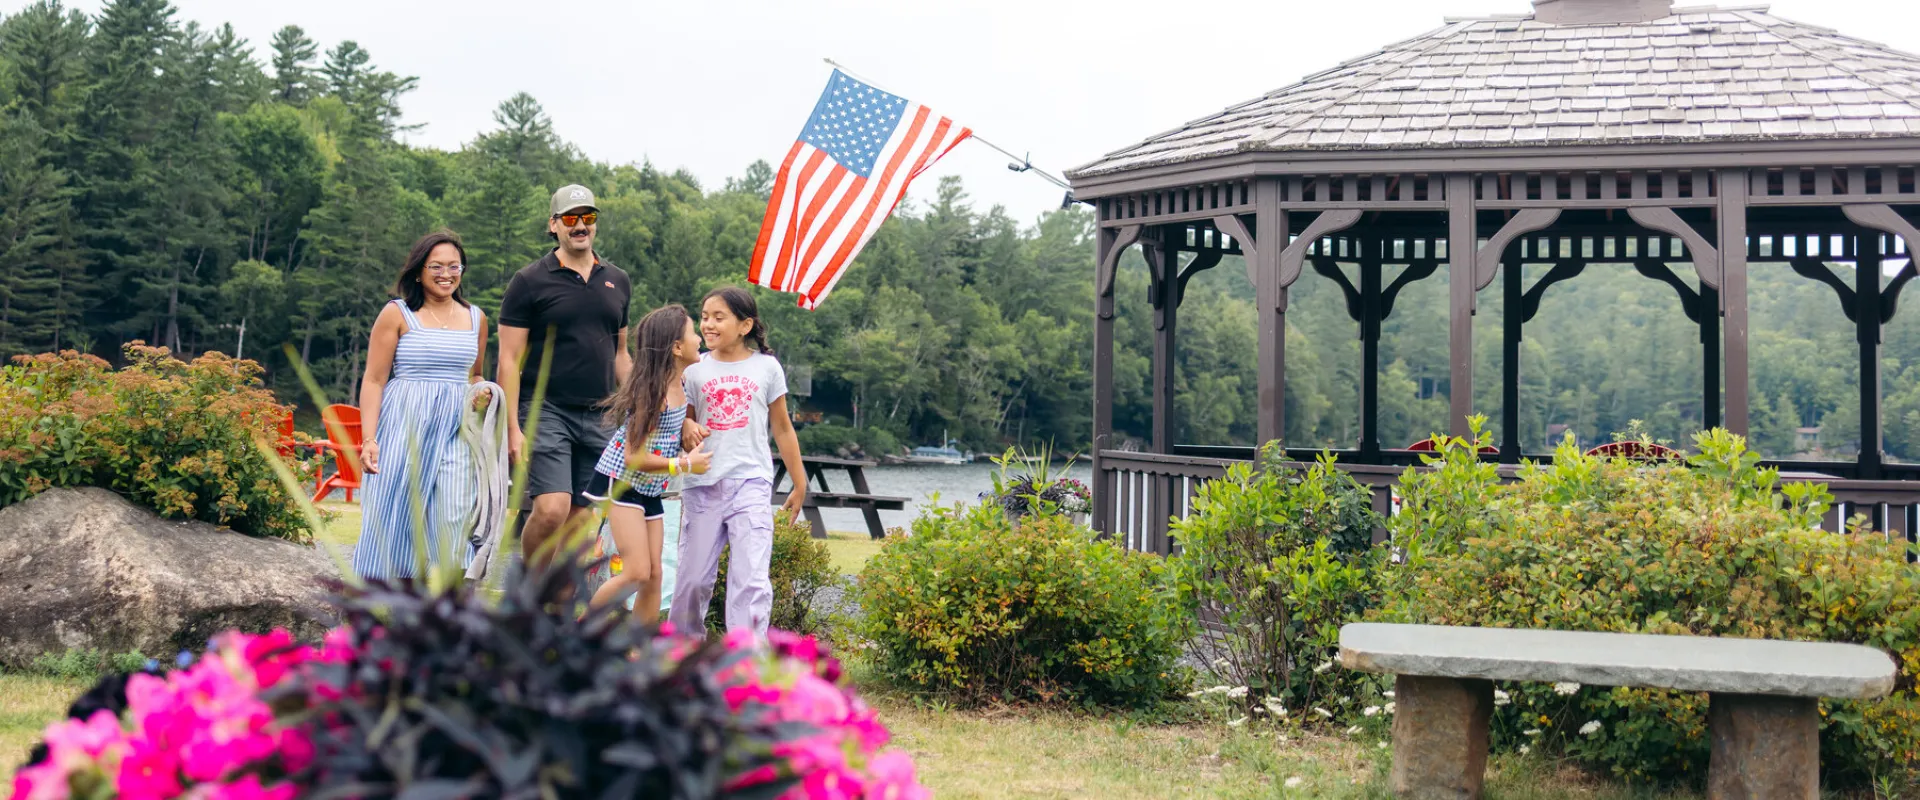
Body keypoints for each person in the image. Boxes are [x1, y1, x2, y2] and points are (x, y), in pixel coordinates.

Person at [496, 185, 638, 568]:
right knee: (551, 509)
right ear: (553, 224)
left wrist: (641, 407)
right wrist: (512, 428)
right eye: (571, 218)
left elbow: (621, 355)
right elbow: (509, 359)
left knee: (580, 521)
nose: (580, 226)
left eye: (588, 217)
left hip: (601, 414)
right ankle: (531, 585)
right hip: (546, 410)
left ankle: (553, 597)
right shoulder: (529, 281)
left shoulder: (618, 280)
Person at [351, 231, 489, 581]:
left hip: (456, 426)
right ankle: (390, 594)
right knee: (398, 510)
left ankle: (451, 592)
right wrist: (369, 439)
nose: (446, 274)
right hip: (405, 422)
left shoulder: (476, 318)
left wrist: (482, 393)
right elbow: (374, 380)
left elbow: (475, 375)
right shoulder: (396, 313)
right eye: (436, 266)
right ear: (418, 271)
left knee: (456, 509)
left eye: (454, 266)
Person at [669, 287, 806, 636]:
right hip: (702, 485)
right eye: (704, 317)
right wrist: (686, 426)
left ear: (745, 325)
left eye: (719, 317)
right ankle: (680, 651)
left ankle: (747, 657)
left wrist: (799, 482)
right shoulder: (694, 368)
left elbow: (782, 427)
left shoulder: (767, 367)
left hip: (751, 483)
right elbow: (680, 420)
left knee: (750, 580)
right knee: (692, 580)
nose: (708, 325)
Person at [583, 305, 713, 620]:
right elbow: (633, 456)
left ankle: (640, 646)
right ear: (677, 347)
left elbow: (668, 426)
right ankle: (577, 633)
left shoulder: (680, 384)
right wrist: (683, 464)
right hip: (623, 483)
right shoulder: (653, 393)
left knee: (655, 575)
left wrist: (687, 425)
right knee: (637, 572)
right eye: (693, 332)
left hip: (650, 489)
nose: (699, 338)